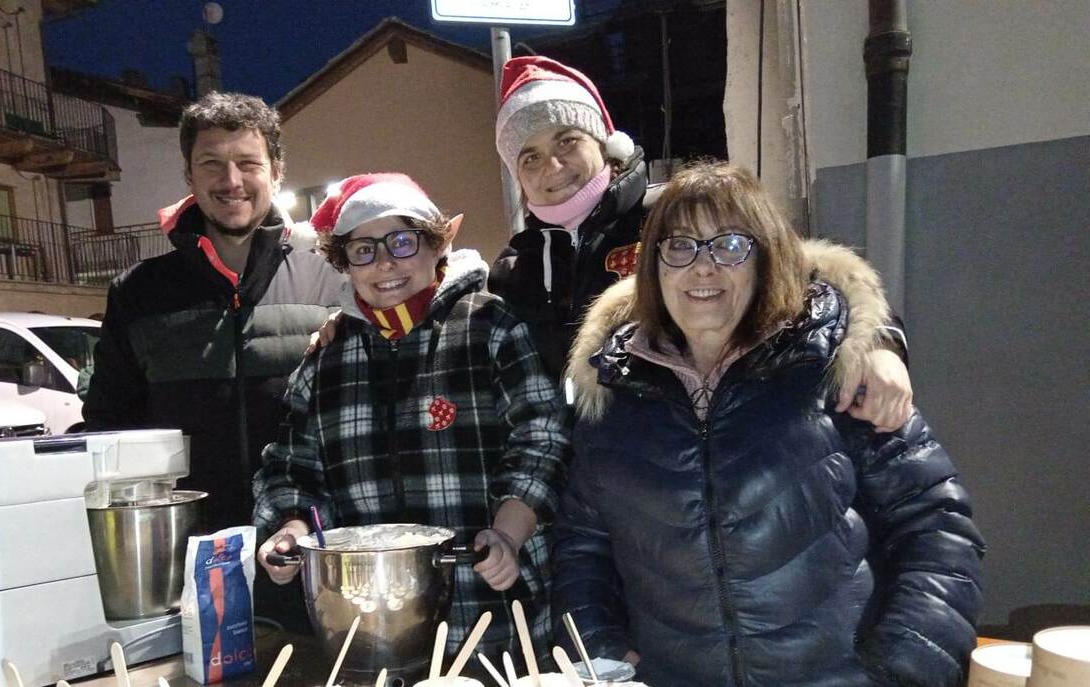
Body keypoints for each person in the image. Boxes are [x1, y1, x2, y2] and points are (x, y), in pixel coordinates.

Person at [553, 162, 984, 686]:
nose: (703, 267)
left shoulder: (835, 367)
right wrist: (603, 656)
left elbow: (936, 525)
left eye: (730, 246)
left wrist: (902, 668)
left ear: (766, 258)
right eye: (681, 246)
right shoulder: (614, 392)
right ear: (655, 267)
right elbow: (582, 546)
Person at [488, 55, 912, 431]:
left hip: (698, 452)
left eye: (567, 140)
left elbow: (810, 271)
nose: (553, 165)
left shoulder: (673, 212)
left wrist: (881, 346)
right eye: (530, 156)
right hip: (584, 473)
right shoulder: (512, 270)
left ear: (604, 143)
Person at [253, 173, 568, 655]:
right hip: (373, 625)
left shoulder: (489, 327)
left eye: (402, 242)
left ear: (436, 244)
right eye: (363, 250)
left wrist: (508, 533)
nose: (384, 264)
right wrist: (293, 532)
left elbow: (542, 440)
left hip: (494, 614)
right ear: (344, 263)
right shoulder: (326, 360)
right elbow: (293, 467)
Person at [83, 92, 345, 532]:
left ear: (276, 172)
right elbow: (108, 426)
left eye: (248, 163)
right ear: (189, 174)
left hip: (307, 537)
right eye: (211, 164)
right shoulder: (138, 292)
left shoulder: (332, 282)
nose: (231, 180)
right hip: (183, 544)